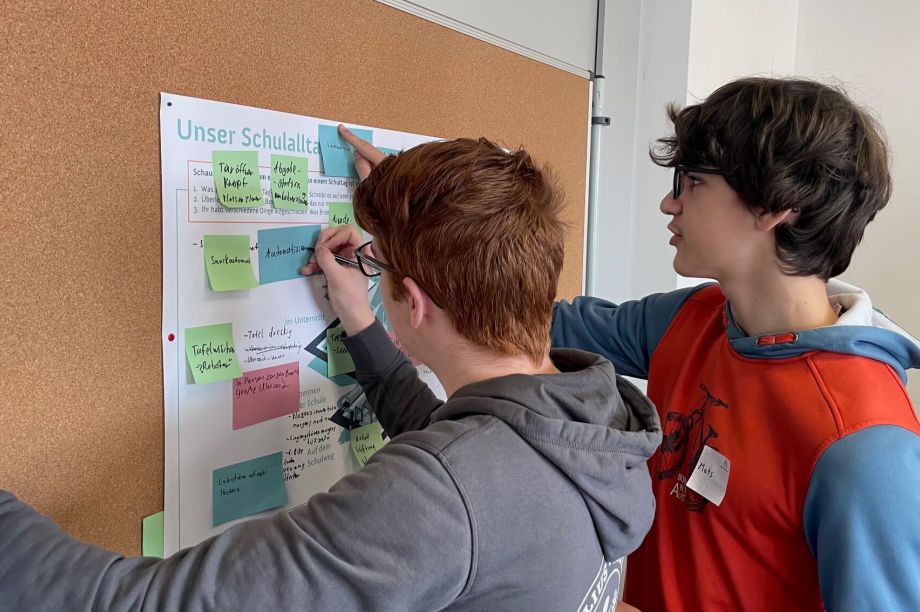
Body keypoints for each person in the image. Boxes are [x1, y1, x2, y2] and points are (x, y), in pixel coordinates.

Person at [0, 134, 661, 610]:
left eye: (378, 267)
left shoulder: (441, 496)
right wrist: (360, 317)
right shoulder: (595, 418)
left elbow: (144, 603)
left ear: (415, 302)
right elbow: (456, 442)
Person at [551, 77, 920, 610]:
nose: (669, 203)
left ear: (776, 204)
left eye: (692, 181)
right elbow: (525, 324)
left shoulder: (862, 443)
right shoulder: (691, 318)